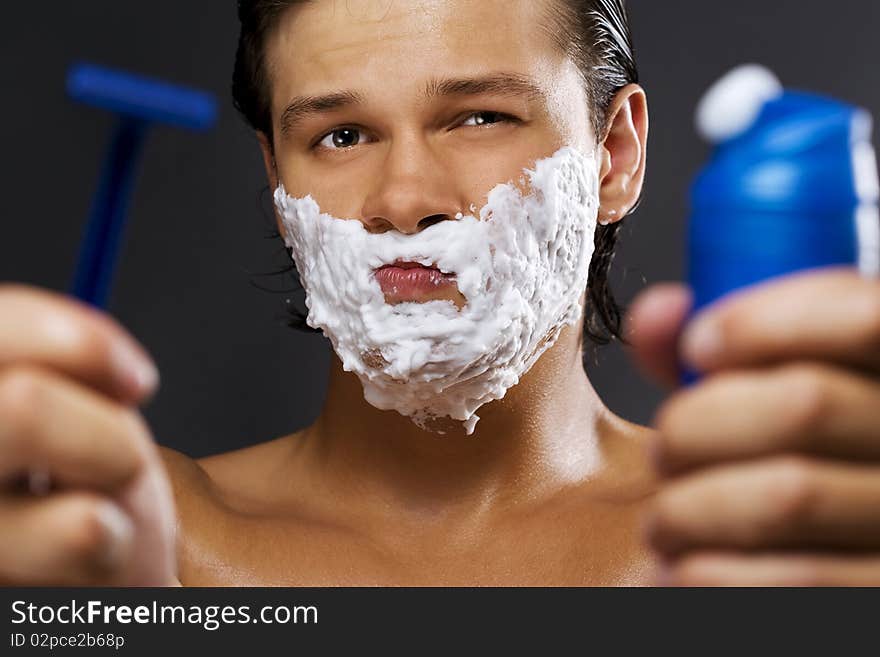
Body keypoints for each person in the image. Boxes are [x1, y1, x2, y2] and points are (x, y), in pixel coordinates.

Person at [1, 0, 879, 587]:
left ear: (614, 156)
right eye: (341, 135)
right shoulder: (120, 540)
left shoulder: (774, 535)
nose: (403, 199)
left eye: (479, 116)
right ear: (278, 185)